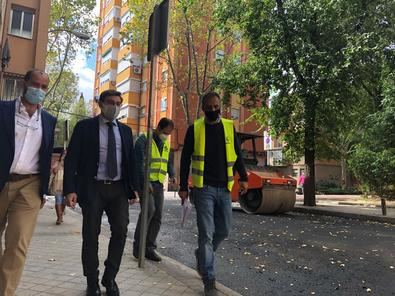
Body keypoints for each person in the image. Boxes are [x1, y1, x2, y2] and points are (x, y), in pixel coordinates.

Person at [63, 90, 139, 296]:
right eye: (110, 102)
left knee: (121, 231)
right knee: (90, 235)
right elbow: (72, 160)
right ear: (100, 104)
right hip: (93, 188)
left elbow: (130, 162)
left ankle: (110, 277)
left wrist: (134, 189)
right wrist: (70, 189)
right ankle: (92, 281)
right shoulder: (85, 127)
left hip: (118, 190)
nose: (114, 107)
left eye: (118, 103)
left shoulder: (125, 131)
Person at [178, 92, 248, 296]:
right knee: (206, 234)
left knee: (224, 230)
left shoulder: (228, 126)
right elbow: (184, 159)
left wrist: (243, 176)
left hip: (225, 189)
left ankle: (201, 255)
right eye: (208, 107)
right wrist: (183, 186)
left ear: (220, 106)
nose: (212, 109)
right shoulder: (195, 129)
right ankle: (209, 280)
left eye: (215, 106)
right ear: (203, 108)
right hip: (203, 189)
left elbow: (237, 154)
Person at [0, 69, 57, 296]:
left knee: (17, 245)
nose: (39, 90)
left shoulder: (49, 121)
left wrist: (44, 190)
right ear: (25, 83)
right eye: (36, 84)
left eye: (44, 87)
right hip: (2, 181)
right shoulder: (3, 110)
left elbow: (47, 155)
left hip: (30, 186)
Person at [132, 118, 176, 262]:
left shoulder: (166, 144)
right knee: (148, 211)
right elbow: (138, 164)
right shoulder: (143, 140)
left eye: (169, 134)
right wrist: (145, 181)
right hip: (146, 183)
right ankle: (138, 248)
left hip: (158, 183)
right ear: (158, 128)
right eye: (165, 132)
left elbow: (168, 161)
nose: (166, 136)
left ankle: (149, 248)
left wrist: (172, 175)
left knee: (157, 216)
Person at [50, 150, 66, 225]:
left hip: (66, 186)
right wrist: (60, 164)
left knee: (63, 202)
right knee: (58, 201)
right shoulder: (57, 163)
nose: (65, 156)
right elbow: (54, 171)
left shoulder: (69, 163)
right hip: (57, 185)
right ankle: (59, 217)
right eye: (64, 154)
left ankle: (61, 215)